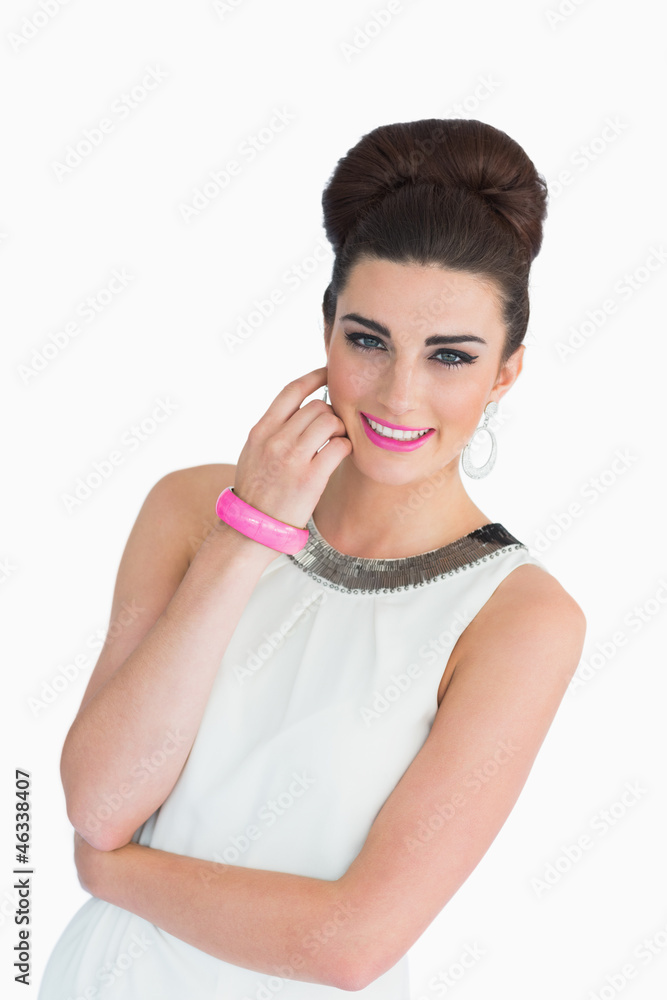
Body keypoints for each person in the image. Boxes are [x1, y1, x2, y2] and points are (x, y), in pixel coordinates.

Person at [38, 118, 586, 998]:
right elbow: (100, 802)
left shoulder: (518, 618)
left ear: (505, 373)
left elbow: (351, 945)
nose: (400, 394)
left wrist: (113, 872)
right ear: (325, 328)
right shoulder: (192, 510)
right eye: (367, 340)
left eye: (450, 356)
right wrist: (249, 530)